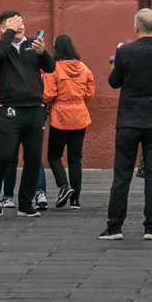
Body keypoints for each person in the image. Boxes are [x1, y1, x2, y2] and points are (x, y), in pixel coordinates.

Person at [103, 9, 152, 241]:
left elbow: (114, 82)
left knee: (122, 175)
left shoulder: (124, 51)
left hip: (129, 120)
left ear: (136, 27)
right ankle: (151, 227)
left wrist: (116, 62)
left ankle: (115, 227)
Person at [0, 11, 53, 218]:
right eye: (13, 24)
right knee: (3, 156)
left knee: (33, 158)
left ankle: (26, 203)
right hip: (9, 111)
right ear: (3, 28)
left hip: (34, 110)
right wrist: (9, 34)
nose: (19, 27)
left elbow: (50, 67)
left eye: (21, 23)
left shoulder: (33, 44)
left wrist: (43, 53)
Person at [42, 35, 93, 209]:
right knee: (75, 159)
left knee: (54, 155)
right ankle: (75, 200)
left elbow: (49, 94)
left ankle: (64, 186)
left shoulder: (54, 68)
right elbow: (89, 95)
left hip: (60, 118)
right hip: (80, 117)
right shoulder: (84, 69)